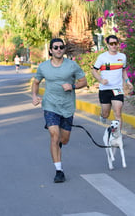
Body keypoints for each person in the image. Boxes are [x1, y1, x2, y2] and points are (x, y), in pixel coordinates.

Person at [32, 38, 87, 183]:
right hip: (50, 105)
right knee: (54, 136)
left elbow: (84, 81)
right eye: (55, 47)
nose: (58, 49)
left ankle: (58, 143)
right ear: (50, 50)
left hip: (67, 107)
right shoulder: (43, 67)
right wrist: (34, 96)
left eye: (61, 47)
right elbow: (36, 82)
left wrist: (73, 86)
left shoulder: (72, 65)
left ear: (64, 49)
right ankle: (59, 170)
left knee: (64, 139)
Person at [91, 35, 133, 128]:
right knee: (106, 113)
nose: (114, 45)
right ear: (107, 45)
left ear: (118, 44)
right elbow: (94, 70)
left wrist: (127, 81)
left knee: (117, 113)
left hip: (117, 88)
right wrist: (101, 80)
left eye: (116, 43)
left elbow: (123, 70)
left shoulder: (122, 56)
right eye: (111, 43)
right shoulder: (102, 57)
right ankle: (103, 115)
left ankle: (118, 137)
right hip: (105, 89)